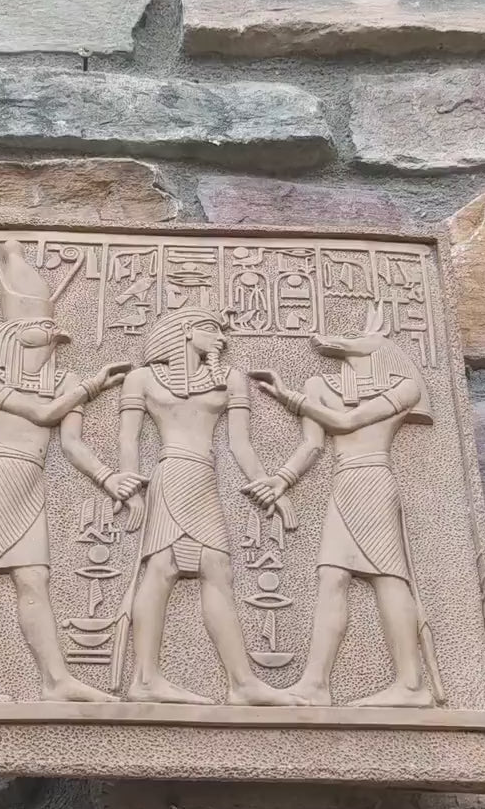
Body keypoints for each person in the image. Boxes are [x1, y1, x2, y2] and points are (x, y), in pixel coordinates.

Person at [0, 239, 142, 704]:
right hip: (2, 476)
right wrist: (92, 385)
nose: (52, 343)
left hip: (32, 482)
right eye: (42, 333)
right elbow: (41, 415)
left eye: (54, 336)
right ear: (12, 335)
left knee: (33, 579)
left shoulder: (62, 382)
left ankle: (55, 680)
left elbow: (72, 445)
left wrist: (108, 478)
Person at [245, 303, 442, 708]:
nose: (342, 342)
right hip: (343, 483)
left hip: (375, 481)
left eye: (359, 337)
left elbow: (347, 423)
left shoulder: (405, 386)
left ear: (380, 344)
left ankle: (411, 685)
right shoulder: (319, 385)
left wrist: (288, 397)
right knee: (331, 577)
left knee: (389, 577)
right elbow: (312, 444)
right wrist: (281, 480)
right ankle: (315, 683)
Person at [116, 308, 299, 705]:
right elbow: (128, 440)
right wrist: (130, 486)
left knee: (215, 568)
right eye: (212, 330)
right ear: (186, 330)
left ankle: (241, 683)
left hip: (203, 476)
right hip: (170, 473)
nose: (222, 339)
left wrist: (269, 486)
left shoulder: (229, 378)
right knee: (162, 567)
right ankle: (146, 678)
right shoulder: (141, 378)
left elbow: (240, 444)